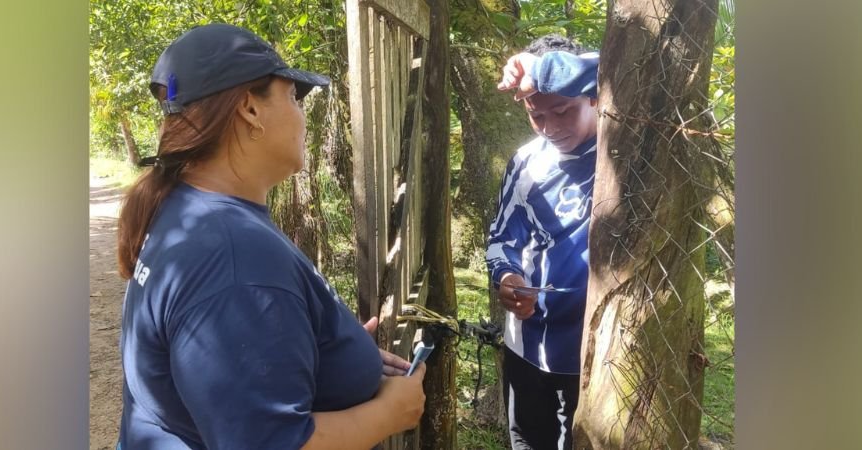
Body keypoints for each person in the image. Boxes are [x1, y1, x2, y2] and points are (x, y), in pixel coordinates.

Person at [115, 23, 426, 450]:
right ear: (250, 109)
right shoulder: (234, 254)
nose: (301, 116)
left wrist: (329, 346)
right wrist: (391, 413)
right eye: (292, 96)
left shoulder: (188, 208)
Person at [486, 35, 600, 450]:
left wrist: (540, 68)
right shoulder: (526, 161)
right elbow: (502, 236)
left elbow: (645, 67)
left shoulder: (622, 152)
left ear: (593, 96)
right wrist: (507, 275)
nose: (551, 128)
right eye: (537, 115)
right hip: (528, 342)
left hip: (593, 352)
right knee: (528, 441)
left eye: (563, 110)